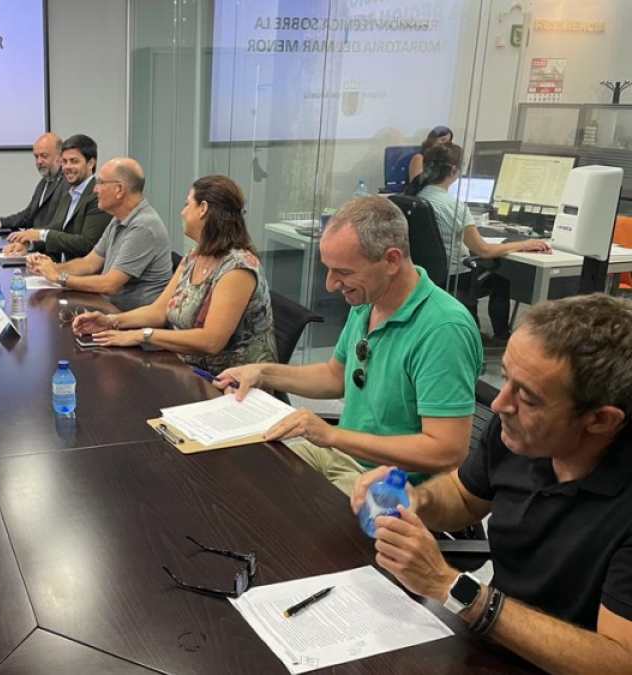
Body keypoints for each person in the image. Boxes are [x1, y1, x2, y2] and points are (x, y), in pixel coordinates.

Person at [351, 294, 632, 675]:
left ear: (599, 420)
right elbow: (464, 497)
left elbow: (620, 661)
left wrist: (450, 586)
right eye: (505, 377)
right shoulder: (519, 435)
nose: (499, 404)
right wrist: (418, 499)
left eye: (527, 397)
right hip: (496, 644)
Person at [217, 196, 482, 494]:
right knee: (238, 472)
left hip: (394, 484)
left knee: (274, 511)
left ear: (391, 260)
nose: (330, 285)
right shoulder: (368, 301)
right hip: (343, 457)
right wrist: (262, 373)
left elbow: (446, 451)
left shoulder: (443, 329)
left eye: (343, 272)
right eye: (329, 270)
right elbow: (335, 375)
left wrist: (332, 436)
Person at [71, 174, 276, 373]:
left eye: (187, 204)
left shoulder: (237, 267)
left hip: (228, 383)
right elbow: (159, 311)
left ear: (203, 209)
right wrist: (111, 321)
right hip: (186, 368)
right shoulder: (194, 256)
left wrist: (142, 335)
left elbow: (211, 341)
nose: (183, 212)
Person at [406, 143, 550, 343]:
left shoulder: (416, 197)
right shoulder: (453, 206)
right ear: (454, 171)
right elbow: (484, 250)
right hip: (454, 275)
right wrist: (523, 244)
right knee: (501, 283)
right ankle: (500, 338)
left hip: (425, 272)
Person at [26, 157, 173, 312]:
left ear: (119, 189)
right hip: (111, 310)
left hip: (129, 319)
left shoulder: (143, 226)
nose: (95, 189)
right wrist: (51, 268)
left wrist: (59, 277)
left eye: (101, 183)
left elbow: (110, 285)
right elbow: (89, 263)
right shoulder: (118, 219)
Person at [3, 134, 111, 261]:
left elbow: (86, 244)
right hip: (55, 266)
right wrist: (27, 244)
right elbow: (55, 231)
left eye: (74, 161)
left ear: (91, 163)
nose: (67, 167)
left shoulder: (98, 196)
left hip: (78, 271)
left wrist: (41, 234)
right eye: (64, 162)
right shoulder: (68, 195)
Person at [0, 132, 66, 235]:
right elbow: (28, 216)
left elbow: (58, 226)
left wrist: (29, 237)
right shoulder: (43, 183)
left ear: (60, 156)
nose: (39, 161)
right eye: (36, 156)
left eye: (44, 156)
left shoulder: (67, 183)